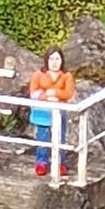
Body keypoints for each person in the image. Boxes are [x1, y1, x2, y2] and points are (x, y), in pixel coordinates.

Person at [29, 47, 75, 177]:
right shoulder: (38, 74)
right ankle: (41, 161)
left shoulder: (67, 75)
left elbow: (68, 93)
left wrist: (55, 93)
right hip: (43, 111)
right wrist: (46, 96)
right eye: (52, 59)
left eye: (57, 59)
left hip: (60, 110)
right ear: (46, 60)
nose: (54, 62)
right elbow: (33, 92)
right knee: (42, 137)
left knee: (60, 136)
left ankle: (60, 162)